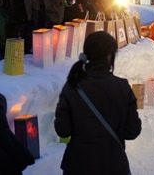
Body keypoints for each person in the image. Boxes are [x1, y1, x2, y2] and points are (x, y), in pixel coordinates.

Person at [54, 31, 142, 174]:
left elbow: (62, 130)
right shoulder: (122, 87)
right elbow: (132, 131)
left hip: (78, 165)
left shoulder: (73, 86)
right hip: (113, 165)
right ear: (109, 55)